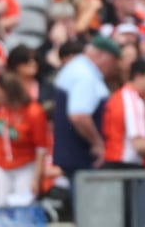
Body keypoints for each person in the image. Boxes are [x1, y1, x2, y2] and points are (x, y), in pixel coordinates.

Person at [53, 35, 121, 185]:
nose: (113, 68)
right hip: (82, 157)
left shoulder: (77, 68)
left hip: (73, 156)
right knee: (89, 205)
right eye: (113, 62)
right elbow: (79, 116)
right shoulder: (85, 75)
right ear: (103, 56)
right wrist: (97, 143)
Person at [0, 72, 48, 206]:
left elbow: (41, 149)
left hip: (25, 165)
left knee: (21, 205)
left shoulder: (34, 112)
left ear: (8, 91)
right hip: (0, 164)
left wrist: (36, 179)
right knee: (0, 203)